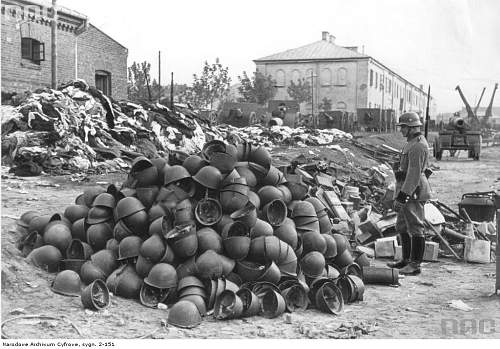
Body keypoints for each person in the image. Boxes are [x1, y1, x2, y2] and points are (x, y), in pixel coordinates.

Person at [388, 112, 432, 275]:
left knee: (415, 226)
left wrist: (402, 197)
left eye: (403, 127)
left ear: (412, 127)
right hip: (406, 187)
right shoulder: (411, 143)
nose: (401, 130)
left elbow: (413, 174)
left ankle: (415, 265)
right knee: (402, 225)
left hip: (413, 191)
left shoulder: (418, 145)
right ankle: (406, 260)